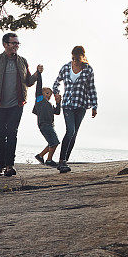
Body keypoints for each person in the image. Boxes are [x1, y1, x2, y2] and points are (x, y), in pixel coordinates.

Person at [0, 33, 41, 177]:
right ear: (5, 44)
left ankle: (9, 166)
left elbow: (29, 82)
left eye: (18, 43)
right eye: (13, 43)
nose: (16, 46)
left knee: (12, 133)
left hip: (16, 104)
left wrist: (37, 73)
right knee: (0, 135)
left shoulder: (22, 61)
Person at [52, 45, 97, 173]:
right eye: (73, 58)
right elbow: (56, 82)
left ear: (83, 57)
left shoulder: (88, 70)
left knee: (74, 133)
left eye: (77, 58)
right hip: (67, 104)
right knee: (70, 131)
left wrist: (94, 106)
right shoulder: (66, 67)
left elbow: (91, 88)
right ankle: (61, 160)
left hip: (82, 105)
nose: (75, 61)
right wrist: (56, 93)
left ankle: (64, 161)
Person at [33, 73, 61, 167]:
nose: (49, 95)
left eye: (51, 94)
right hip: (44, 124)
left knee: (52, 142)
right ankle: (49, 160)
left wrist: (58, 103)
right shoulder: (39, 100)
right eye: (47, 93)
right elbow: (39, 87)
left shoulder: (49, 104)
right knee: (55, 142)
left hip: (49, 125)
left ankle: (40, 156)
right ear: (42, 93)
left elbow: (57, 112)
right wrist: (39, 75)